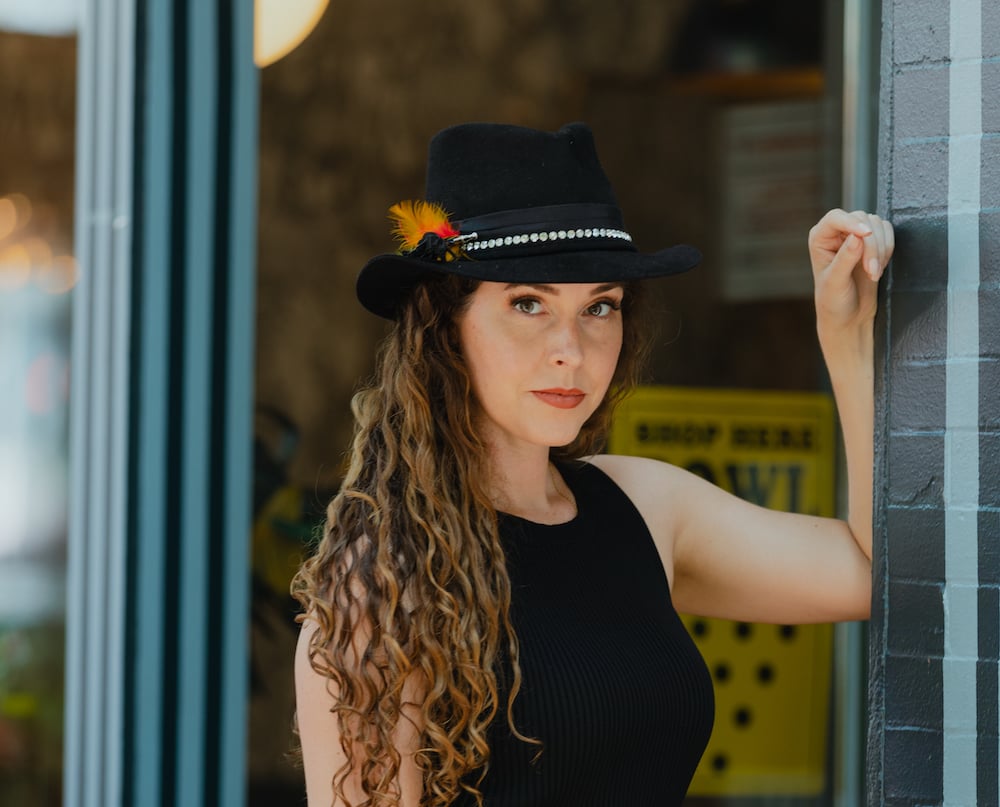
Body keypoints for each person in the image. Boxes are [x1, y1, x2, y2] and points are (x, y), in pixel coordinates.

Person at [291, 121, 894, 807]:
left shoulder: (640, 504)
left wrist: (846, 340)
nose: (571, 350)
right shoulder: (380, 589)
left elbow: (874, 572)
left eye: (599, 306)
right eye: (528, 304)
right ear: (443, 327)